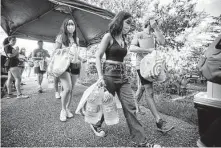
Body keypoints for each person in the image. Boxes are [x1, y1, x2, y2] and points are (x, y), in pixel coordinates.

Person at [95, 11, 155, 147]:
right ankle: (96, 123)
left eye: (131, 24)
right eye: (127, 22)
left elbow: (125, 57)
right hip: (109, 75)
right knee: (107, 103)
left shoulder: (125, 39)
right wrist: (100, 77)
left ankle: (140, 141)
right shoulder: (108, 36)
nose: (129, 26)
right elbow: (98, 56)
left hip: (123, 76)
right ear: (119, 21)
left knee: (130, 107)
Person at [129, 14, 174, 133]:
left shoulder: (154, 35)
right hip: (142, 66)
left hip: (152, 67)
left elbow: (163, 42)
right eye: (155, 20)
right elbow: (132, 48)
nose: (157, 22)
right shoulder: (139, 34)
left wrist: (156, 28)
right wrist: (147, 50)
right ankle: (159, 122)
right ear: (148, 20)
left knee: (143, 89)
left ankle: (133, 108)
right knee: (149, 91)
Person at [53, 18, 85, 121]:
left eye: (72, 24)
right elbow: (55, 51)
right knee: (67, 88)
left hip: (74, 65)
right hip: (64, 65)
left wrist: (81, 58)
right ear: (65, 26)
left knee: (71, 90)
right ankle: (62, 110)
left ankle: (67, 109)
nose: (71, 26)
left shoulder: (77, 39)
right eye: (69, 24)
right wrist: (66, 49)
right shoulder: (60, 37)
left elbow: (75, 53)